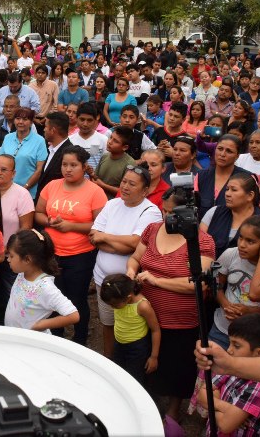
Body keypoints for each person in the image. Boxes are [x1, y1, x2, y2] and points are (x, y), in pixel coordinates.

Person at [125, 187, 216, 427]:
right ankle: (146, 402)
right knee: (146, 361)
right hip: (145, 313)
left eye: (171, 213)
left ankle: (174, 410)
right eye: (163, 211)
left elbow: (198, 285)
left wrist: (157, 281)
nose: (165, 218)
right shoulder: (152, 229)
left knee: (177, 366)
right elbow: (136, 258)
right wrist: (131, 272)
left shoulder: (201, 241)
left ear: (189, 213)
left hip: (180, 319)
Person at [36, 145, 108, 345]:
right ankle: (56, 339)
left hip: (80, 254)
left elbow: (99, 224)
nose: (68, 169)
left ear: (84, 167)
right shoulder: (52, 186)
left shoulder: (95, 191)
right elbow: (39, 213)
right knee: (53, 297)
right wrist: (49, 222)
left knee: (76, 298)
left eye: (73, 165)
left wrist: (72, 226)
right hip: (51, 253)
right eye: (64, 164)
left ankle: (79, 339)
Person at [90, 165, 163, 357]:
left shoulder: (150, 211)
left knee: (130, 327)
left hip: (128, 285)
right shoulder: (112, 204)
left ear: (145, 190)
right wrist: (116, 242)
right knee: (107, 323)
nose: (125, 187)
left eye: (132, 184)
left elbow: (135, 244)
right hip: (102, 279)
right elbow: (93, 237)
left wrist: (105, 237)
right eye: (124, 181)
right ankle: (108, 359)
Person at [189, 315, 260, 436]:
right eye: (229, 343)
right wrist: (227, 409)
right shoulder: (232, 365)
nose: (229, 350)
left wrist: (215, 399)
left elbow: (226, 425)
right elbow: (202, 394)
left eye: (236, 346)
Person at [209, 216, 260, 350]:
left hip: (254, 338)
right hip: (222, 330)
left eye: (250, 241)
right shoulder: (230, 254)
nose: (241, 244)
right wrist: (226, 305)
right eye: (241, 237)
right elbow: (216, 285)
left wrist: (250, 311)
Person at [4, 228, 80, 332]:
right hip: (14, 337)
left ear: (27, 259)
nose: (8, 259)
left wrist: (41, 324)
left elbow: (73, 315)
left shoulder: (45, 288)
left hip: (31, 343)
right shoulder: (22, 273)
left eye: (11, 256)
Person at [99, 274, 161, 386]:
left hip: (137, 348)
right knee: (118, 373)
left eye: (114, 305)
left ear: (127, 298)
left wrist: (154, 357)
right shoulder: (119, 299)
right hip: (119, 343)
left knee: (134, 379)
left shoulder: (142, 306)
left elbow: (155, 330)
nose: (112, 308)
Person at [200, 173, 260, 260]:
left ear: (250, 195)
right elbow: (199, 245)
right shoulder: (214, 212)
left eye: (234, 190)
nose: (227, 194)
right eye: (227, 189)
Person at [196, 134, 250, 216]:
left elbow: (255, 211)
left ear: (237, 156)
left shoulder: (246, 178)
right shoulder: (201, 176)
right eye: (220, 149)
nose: (222, 154)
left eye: (229, 151)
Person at [0, 107, 48, 199]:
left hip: (28, 193)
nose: (20, 122)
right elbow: (0, 161)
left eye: (25, 119)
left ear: (31, 122)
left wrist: (25, 188)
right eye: (18, 118)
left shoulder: (39, 141)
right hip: (5, 190)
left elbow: (39, 170)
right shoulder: (8, 137)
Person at [35, 112, 71, 199]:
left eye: (46, 126)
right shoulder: (51, 149)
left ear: (53, 130)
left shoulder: (69, 153)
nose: (44, 129)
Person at [92, 126, 135, 199]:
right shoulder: (104, 157)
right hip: (98, 199)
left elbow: (125, 191)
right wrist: (90, 173)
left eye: (116, 141)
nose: (110, 142)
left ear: (125, 147)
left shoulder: (130, 164)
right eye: (111, 137)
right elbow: (95, 178)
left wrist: (103, 185)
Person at [70, 102, 108, 170]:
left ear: (95, 120)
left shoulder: (103, 140)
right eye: (82, 119)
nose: (85, 124)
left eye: (89, 120)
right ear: (77, 118)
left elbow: (105, 165)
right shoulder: (70, 140)